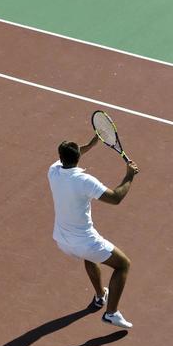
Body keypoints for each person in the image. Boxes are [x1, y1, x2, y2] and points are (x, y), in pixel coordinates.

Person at [47, 133, 139, 329]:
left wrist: (90, 144)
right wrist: (129, 175)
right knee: (123, 265)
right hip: (84, 241)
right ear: (78, 158)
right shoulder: (85, 181)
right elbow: (115, 198)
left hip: (62, 241)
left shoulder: (53, 171)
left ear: (61, 157)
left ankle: (100, 296)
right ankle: (111, 313)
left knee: (90, 256)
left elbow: (72, 154)